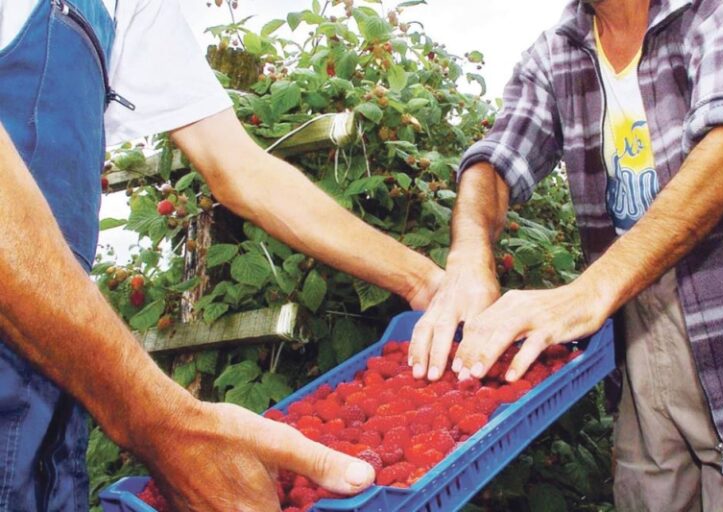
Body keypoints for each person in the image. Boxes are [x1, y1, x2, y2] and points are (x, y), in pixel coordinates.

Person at [0, 0, 443, 510]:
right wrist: (163, 423)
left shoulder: (130, 8)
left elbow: (240, 168)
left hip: (61, 362)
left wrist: (423, 280)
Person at [410, 0, 723, 509]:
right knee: (647, 492)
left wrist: (589, 290)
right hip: (637, 335)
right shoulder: (558, 52)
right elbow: (494, 161)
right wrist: (469, 256)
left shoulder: (722, 11)